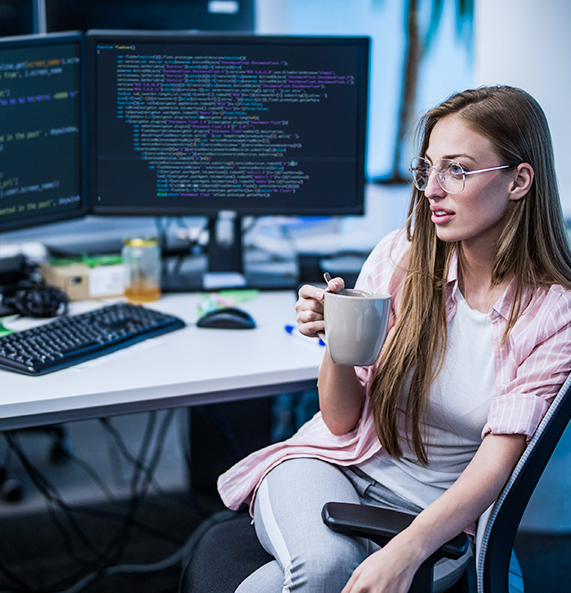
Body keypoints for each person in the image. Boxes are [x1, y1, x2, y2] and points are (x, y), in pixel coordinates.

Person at [217, 85, 571, 593]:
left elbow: (498, 463)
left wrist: (407, 550)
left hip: (437, 517)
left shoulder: (552, 314)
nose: (431, 189)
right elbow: (340, 422)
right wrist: (338, 341)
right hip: (332, 467)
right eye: (427, 169)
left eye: (458, 169)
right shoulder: (401, 256)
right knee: (321, 569)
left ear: (518, 180)